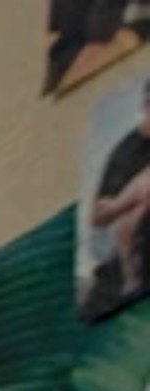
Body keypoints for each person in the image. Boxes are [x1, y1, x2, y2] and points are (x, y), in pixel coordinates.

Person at [94, 82, 150, 321]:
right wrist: (116, 207)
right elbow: (98, 217)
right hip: (129, 243)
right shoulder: (126, 153)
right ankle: (131, 275)